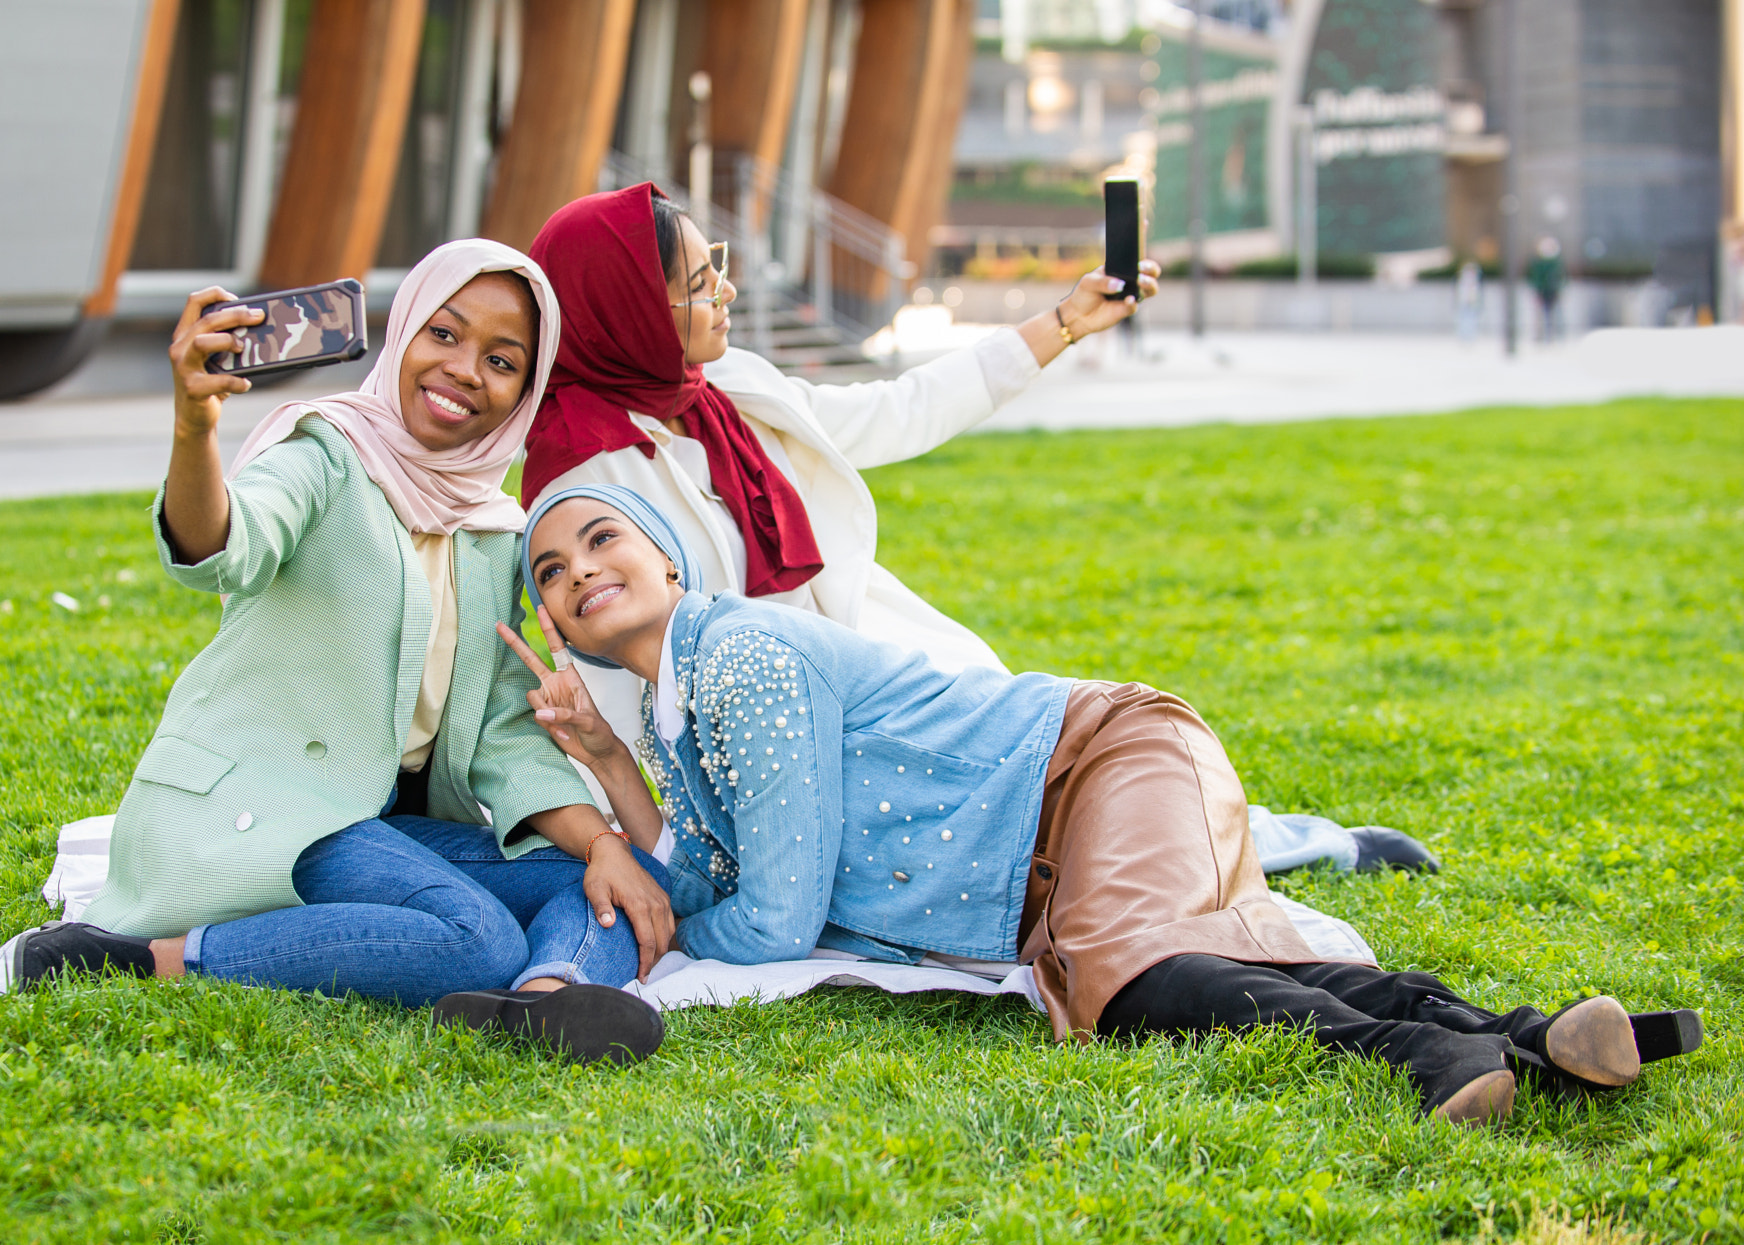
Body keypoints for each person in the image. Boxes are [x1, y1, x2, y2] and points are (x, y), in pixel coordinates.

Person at [502, 483, 1702, 1121]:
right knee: (1133, 961)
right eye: (548, 573)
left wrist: (669, 944)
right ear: (554, 620)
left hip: (1095, 761)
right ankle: (1523, 1036)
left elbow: (763, 918)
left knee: (1117, 979)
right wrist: (610, 772)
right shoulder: (683, 710)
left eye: (600, 537)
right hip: (1044, 852)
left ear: (671, 560)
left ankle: (1424, 1055)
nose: (576, 572)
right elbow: (714, 872)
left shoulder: (744, 657)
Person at [521, 183, 1435, 877]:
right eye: (696, 281)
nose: (725, 289)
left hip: (855, 658)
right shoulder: (585, 472)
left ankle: (1263, 837)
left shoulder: (721, 389)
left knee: (1047, 731)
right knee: (1022, 795)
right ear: (631, 312)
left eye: (715, 262)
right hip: (773, 728)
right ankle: (1266, 849)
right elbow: (628, 674)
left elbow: (892, 410)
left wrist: (1062, 324)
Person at [0, 241, 671, 1064]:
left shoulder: (492, 531)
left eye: (502, 360)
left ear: (524, 392)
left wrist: (602, 840)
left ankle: (541, 1001)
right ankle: (143, 959)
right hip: (286, 801)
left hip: (383, 823)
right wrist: (193, 424)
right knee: (477, 936)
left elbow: (497, 724)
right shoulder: (325, 455)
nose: (464, 370)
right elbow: (225, 543)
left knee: (602, 877)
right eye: (444, 335)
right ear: (402, 334)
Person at [1528, 237, 1566, 342]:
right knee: (1540, 315)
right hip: (1543, 292)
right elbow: (1535, 278)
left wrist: (1559, 288)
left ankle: (1554, 334)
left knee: (1554, 314)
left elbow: (1561, 277)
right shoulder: (1539, 263)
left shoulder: (1556, 263)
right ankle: (1541, 335)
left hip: (1553, 291)